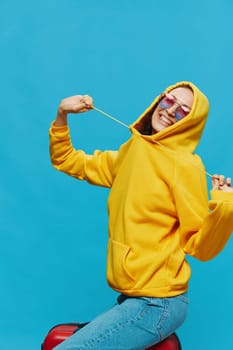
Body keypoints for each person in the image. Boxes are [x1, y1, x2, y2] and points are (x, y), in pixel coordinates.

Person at [49, 81, 233, 350]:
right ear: (158, 100)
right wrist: (62, 116)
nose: (170, 111)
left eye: (183, 111)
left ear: (190, 123)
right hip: (132, 297)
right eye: (168, 101)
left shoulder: (185, 166)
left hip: (158, 303)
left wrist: (225, 206)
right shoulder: (134, 150)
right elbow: (68, 160)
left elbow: (200, 246)